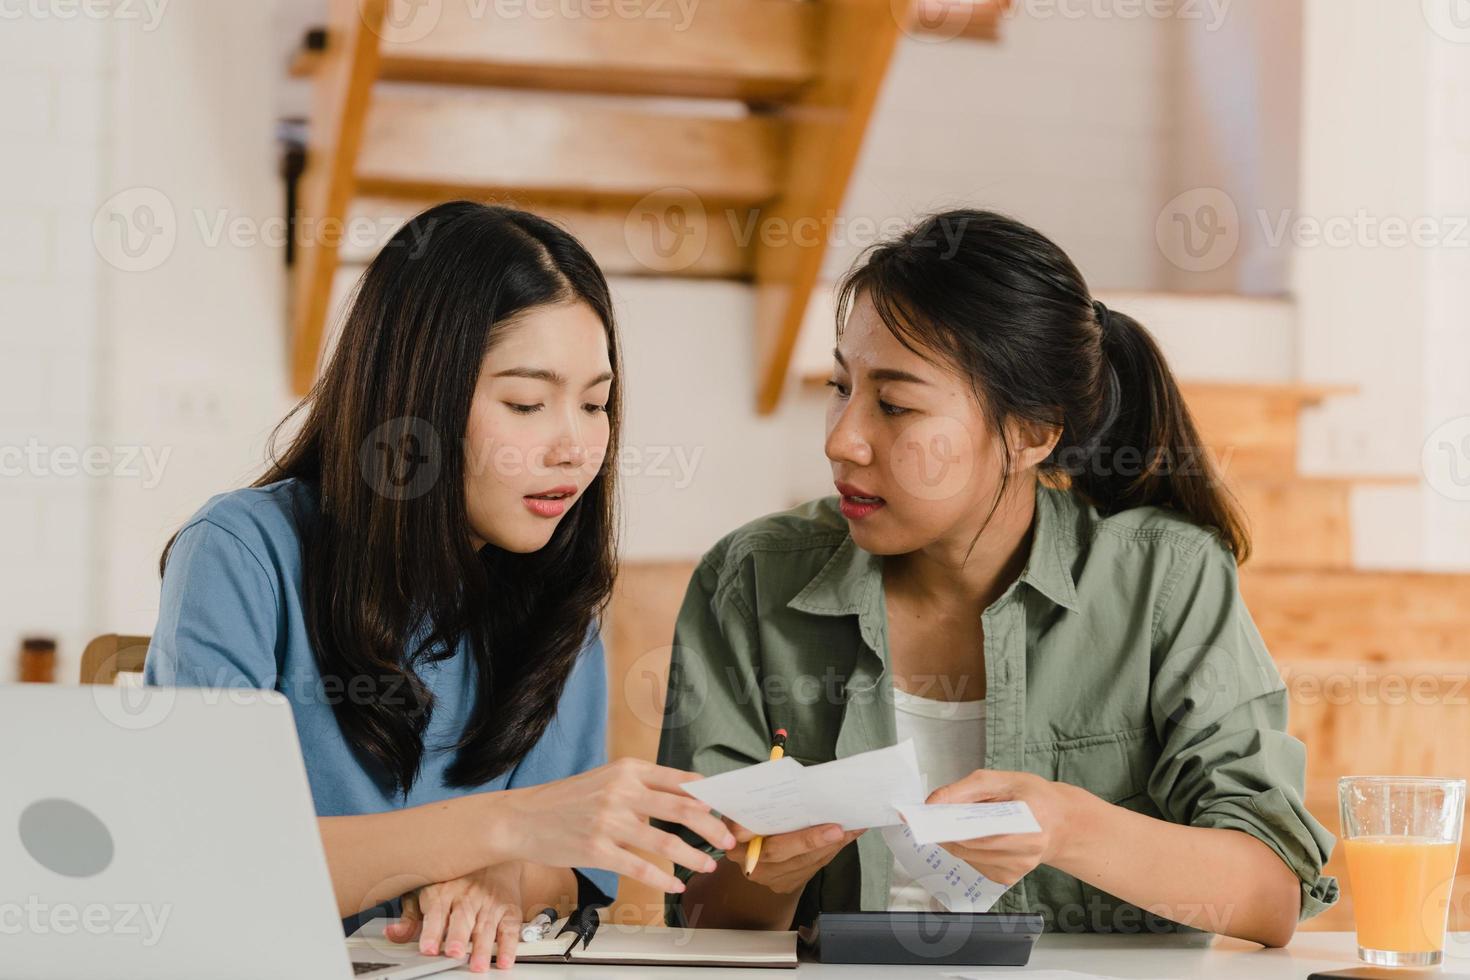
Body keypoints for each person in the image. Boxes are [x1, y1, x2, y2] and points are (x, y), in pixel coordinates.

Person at [658, 209, 1337, 947]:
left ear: (1031, 434)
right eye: (840, 385)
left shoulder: (1164, 579)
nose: (841, 439)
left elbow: (1271, 893)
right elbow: (701, 919)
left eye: (894, 404)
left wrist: (1068, 828)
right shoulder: (751, 578)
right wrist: (772, 873)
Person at [145, 202, 734, 973]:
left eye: (595, 403)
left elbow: (568, 867)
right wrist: (498, 830)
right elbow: (214, 859)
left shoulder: (556, 595)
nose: (575, 447)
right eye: (526, 404)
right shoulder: (241, 552)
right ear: (415, 402)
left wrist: (498, 875)